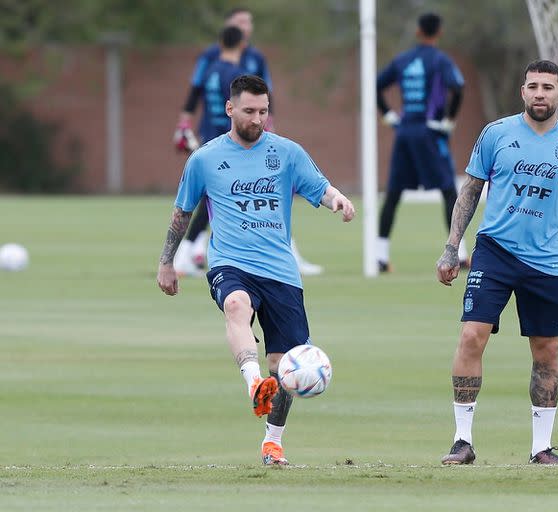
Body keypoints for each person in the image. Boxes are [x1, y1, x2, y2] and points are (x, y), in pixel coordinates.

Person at [158, 75, 355, 465]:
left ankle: (273, 442)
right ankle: (254, 385)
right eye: (249, 111)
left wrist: (338, 200)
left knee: (284, 367)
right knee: (236, 305)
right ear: (230, 109)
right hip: (231, 262)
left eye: (264, 111)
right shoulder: (205, 159)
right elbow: (182, 212)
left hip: (281, 271)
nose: (258, 119)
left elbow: (320, 186)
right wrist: (167, 262)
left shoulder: (287, 153)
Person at [436, 60, 558, 465]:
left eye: (548, 87)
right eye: (532, 86)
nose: (539, 93)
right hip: (494, 251)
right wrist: (452, 246)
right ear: (522, 91)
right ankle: (462, 441)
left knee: (547, 352)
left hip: (545, 262)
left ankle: (541, 447)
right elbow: (470, 191)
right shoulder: (496, 134)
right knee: (472, 336)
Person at [172, 7, 323, 276]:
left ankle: (190, 253)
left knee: (214, 198)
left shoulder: (224, 65)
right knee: (267, 193)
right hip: (234, 142)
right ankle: (283, 253)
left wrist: (185, 125)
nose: (246, 27)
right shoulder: (232, 70)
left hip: (219, 138)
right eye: (241, 23)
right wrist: (264, 124)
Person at [375, 12, 469, 272]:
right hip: (429, 134)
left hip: (405, 132)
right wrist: (449, 120)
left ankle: (380, 256)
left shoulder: (403, 60)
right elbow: (458, 87)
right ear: (439, 32)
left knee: (393, 194)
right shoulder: (440, 60)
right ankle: (459, 254)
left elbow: (376, 85)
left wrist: (389, 116)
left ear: (418, 31)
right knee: (448, 190)